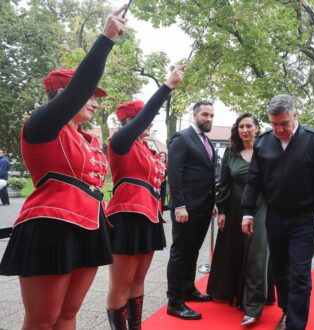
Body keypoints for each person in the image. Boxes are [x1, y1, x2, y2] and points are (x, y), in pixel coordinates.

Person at [0, 6, 126, 329]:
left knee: (69, 314)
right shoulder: (41, 125)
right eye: (89, 96)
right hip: (51, 225)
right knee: (43, 319)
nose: (95, 102)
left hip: (90, 225)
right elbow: (79, 87)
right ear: (62, 96)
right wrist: (106, 38)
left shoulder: (85, 138)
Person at [241, 94, 314, 330]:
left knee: (299, 273)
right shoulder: (263, 142)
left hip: (304, 218)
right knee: (280, 270)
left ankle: (296, 325)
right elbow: (253, 180)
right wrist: (247, 212)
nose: (278, 129)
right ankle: (287, 310)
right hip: (274, 217)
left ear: (295, 116)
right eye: (274, 124)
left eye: (283, 124)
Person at [104, 65, 185, 329]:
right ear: (130, 122)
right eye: (143, 119)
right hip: (126, 217)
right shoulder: (120, 142)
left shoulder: (148, 150)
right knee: (121, 284)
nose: (149, 123)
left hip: (150, 218)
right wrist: (167, 87)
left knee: (139, 280)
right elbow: (143, 118)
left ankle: (136, 327)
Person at [207, 113, 273, 326]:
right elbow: (224, 182)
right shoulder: (231, 152)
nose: (245, 130)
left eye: (249, 126)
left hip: (261, 207)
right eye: (241, 126)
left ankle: (253, 306)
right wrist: (222, 209)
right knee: (233, 252)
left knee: (257, 253)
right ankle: (233, 292)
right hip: (234, 208)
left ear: (256, 128)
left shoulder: (266, 150)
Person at [166, 100, 217, 320]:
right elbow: (174, 173)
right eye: (205, 115)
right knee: (180, 253)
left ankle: (188, 289)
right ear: (194, 115)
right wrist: (179, 205)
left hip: (204, 207)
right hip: (185, 208)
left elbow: (208, 174)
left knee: (193, 251)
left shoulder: (207, 141)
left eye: (211, 116)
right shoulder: (182, 138)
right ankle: (175, 301)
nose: (209, 119)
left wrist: (213, 201)